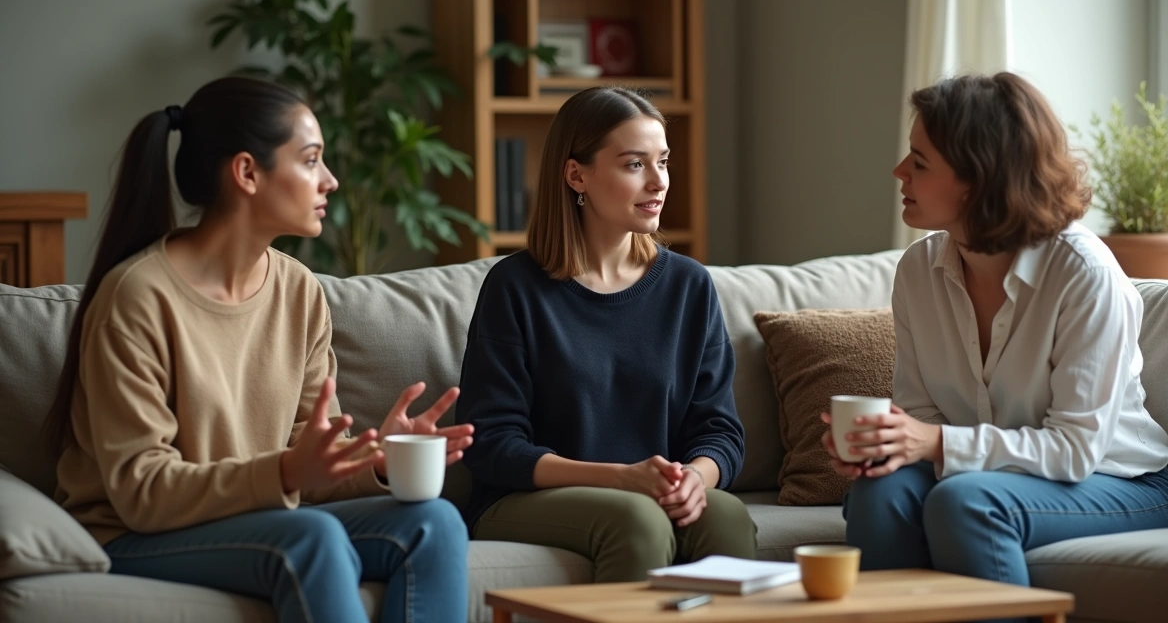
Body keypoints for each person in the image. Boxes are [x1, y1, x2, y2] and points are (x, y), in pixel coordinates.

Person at [45, 77, 473, 623]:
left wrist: (378, 461)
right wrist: (288, 472)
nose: (331, 180)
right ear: (247, 172)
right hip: (132, 533)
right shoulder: (137, 297)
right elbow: (143, 491)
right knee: (310, 538)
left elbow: (307, 458)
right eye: (312, 159)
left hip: (263, 519)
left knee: (434, 523)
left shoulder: (300, 291)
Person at [825, 72, 1168, 594]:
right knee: (878, 491)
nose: (899, 171)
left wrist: (936, 443)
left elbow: (1075, 450)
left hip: (1115, 481)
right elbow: (921, 411)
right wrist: (891, 446)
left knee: (964, 500)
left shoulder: (1086, 276)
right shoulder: (918, 270)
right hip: (987, 476)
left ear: (978, 180)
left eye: (920, 162)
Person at [455, 86, 756, 582]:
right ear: (577, 174)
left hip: (645, 491)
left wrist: (693, 480)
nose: (658, 181)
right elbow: (492, 442)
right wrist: (621, 479)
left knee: (723, 514)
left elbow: (719, 430)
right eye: (634, 164)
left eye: (662, 161)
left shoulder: (689, 286)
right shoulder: (515, 288)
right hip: (525, 498)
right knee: (636, 519)